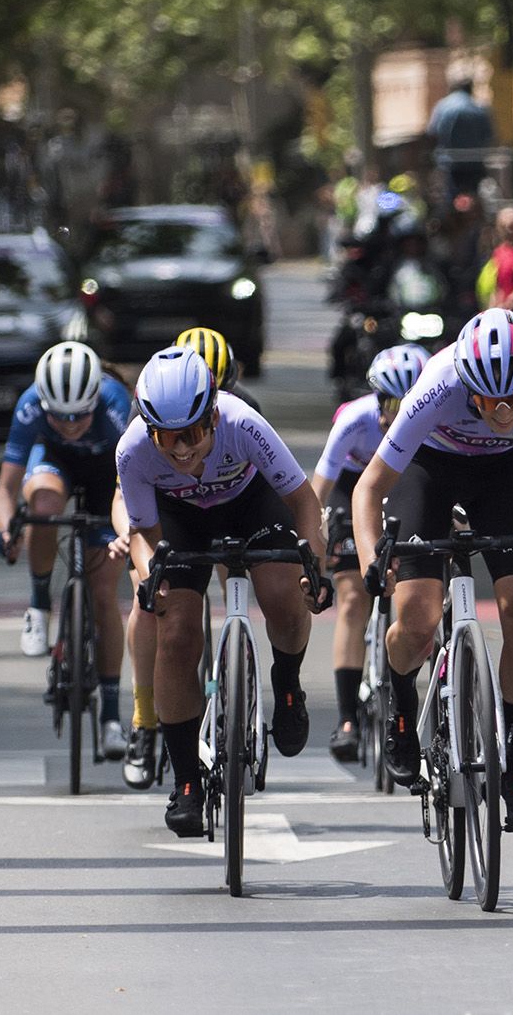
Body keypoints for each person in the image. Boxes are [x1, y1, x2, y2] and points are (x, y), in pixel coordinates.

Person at [351, 310, 513, 832]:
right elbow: (369, 488)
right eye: (488, 402)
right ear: (467, 387)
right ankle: (402, 706)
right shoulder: (437, 386)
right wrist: (371, 561)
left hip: (504, 474)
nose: (502, 412)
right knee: (416, 620)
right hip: (430, 470)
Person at [117, 347, 327, 836]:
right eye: (167, 438)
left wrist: (312, 566)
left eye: (191, 434)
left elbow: (303, 500)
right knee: (176, 634)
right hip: (180, 519)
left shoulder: (242, 422)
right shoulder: (132, 451)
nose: (182, 450)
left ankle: (288, 682)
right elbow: (144, 534)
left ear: (213, 415)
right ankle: (187, 781)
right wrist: (152, 580)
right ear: (150, 430)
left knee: (282, 592)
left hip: (251, 504)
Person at [0, 342, 132, 759]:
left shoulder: (115, 404)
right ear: (43, 404)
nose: (69, 425)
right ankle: (38, 605)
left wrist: (124, 533)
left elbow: (133, 485)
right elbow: (5, 489)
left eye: (79, 416)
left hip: (110, 475)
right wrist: (5, 532)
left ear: (95, 401)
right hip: (54, 466)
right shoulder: (30, 405)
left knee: (105, 592)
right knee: (44, 508)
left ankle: (110, 716)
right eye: (59, 416)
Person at [310, 344, 429, 762]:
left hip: (408, 484)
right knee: (353, 597)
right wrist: (313, 539)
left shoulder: (433, 419)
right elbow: (319, 487)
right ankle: (347, 719)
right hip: (353, 487)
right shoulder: (356, 418)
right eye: (385, 402)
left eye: (402, 404)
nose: (388, 414)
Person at [427, 73, 494, 201]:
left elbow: (432, 133)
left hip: (449, 164)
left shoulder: (442, 107)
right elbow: (489, 136)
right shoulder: (479, 108)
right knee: (474, 198)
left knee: (450, 199)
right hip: (474, 163)